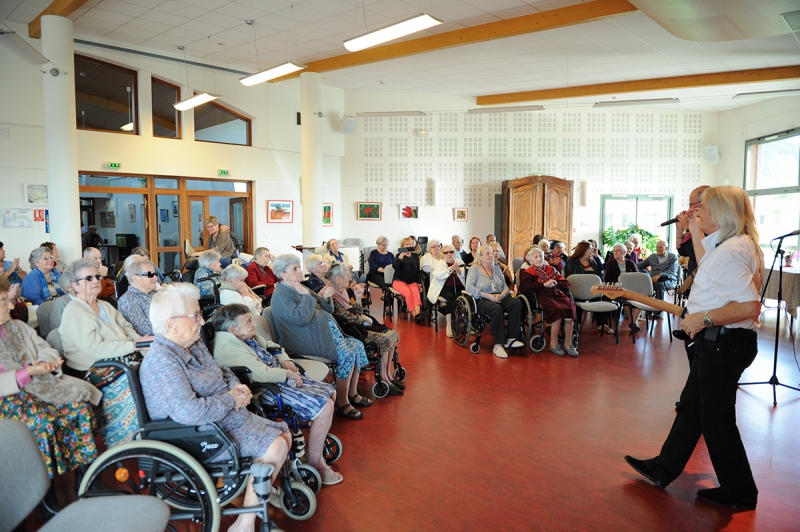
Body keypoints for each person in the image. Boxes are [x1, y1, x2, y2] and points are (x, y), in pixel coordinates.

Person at [625, 186, 763, 511]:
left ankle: (740, 492)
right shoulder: (728, 245)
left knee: (716, 421)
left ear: (724, 213)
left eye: (705, 210)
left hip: (722, 342)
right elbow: (706, 264)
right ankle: (663, 468)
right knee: (692, 408)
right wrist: (693, 229)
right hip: (717, 342)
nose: (699, 213)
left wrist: (704, 319)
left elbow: (749, 306)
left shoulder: (733, 249)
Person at [139, 284, 291, 532]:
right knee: (277, 444)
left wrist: (236, 387)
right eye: (195, 316)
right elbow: (189, 413)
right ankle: (244, 524)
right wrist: (231, 399)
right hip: (197, 434)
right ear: (171, 324)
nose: (202, 321)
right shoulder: (163, 361)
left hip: (221, 419)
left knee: (284, 436)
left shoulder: (193, 343)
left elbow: (221, 368)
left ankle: (259, 491)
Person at [210, 304, 342, 486]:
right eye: (248, 321)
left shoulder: (243, 336)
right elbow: (260, 374)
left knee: (331, 393)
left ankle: (315, 447)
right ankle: (316, 463)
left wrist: (285, 359)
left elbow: (272, 346)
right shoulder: (228, 346)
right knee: (325, 407)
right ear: (232, 329)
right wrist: (288, 374)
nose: (254, 324)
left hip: (278, 379)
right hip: (266, 388)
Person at [0, 276, 102, 482]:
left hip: (38, 387)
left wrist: (44, 364)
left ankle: (87, 479)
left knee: (79, 409)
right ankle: (41, 492)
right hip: (7, 399)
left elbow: (45, 348)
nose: (11, 305)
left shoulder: (16, 327)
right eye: (4, 301)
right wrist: (27, 373)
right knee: (42, 423)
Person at [271, 254, 370, 420]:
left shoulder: (297, 286)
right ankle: (342, 403)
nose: (299, 271)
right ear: (282, 274)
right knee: (347, 354)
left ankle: (352, 393)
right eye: (294, 269)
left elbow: (326, 307)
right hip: (302, 340)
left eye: (299, 267)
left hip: (320, 334)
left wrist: (325, 296)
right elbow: (300, 318)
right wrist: (307, 296)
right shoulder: (281, 295)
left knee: (357, 346)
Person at [59, 259, 152, 379]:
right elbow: (94, 350)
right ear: (75, 286)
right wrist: (133, 346)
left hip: (123, 358)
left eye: (97, 277)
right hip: (93, 368)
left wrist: (145, 346)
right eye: (89, 278)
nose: (96, 281)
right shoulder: (74, 310)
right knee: (152, 383)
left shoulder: (104, 305)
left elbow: (127, 328)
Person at [325, 263, 403, 395]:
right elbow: (345, 317)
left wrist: (357, 298)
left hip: (357, 326)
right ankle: (383, 378)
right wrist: (363, 319)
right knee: (384, 339)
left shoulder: (342, 292)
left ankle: (388, 376)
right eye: (347, 276)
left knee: (392, 334)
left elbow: (356, 311)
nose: (350, 279)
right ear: (338, 279)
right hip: (349, 332)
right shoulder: (332, 296)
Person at [465, 245, 524, 359]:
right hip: (483, 298)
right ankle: (498, 345)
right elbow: (469, 287)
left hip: (499, 296)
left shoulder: (496, 268)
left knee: (516, 302)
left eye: (491, 253)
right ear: (480, 257)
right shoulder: (474, 269)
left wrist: (502, 295)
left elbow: (506, 286)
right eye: (487, 253)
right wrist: (488, 296)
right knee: (497, 309)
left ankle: (511, 339)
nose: (490, 255)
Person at [519, 247, 578, 357]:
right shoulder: (528, 272)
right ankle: (554, 343)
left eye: (540, 256)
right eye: (535, 257)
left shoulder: (551, 269)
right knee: (557, 310)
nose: (539, 259)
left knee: (569, 308)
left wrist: (555, 283)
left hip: (557, 294)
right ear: (530, 260)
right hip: (542, 295)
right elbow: (526, 287)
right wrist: (544, 284)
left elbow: (566, 284)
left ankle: (568, 344)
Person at [564, 241, 613, 335]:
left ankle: (602, 324)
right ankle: (576, 323)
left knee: (602, 297)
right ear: (583, 250)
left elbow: (600, 274)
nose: (592, 250)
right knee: (576, 298)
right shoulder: (571, 262)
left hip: (593, 289)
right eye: (590, 249)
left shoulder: (592, 262)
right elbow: (570, 278)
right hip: (578, 288)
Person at [427, 244, 466, 338]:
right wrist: (451, 269)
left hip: (459, 287)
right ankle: (449, 325)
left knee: (468, 296)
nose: (449, 254)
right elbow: (438, 276)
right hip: (444, 287)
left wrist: (460, 271)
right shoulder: (440, 263)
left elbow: (466, 275)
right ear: (442, 254)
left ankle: (469, 324)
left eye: (451, 252)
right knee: (451, 297)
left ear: (454, 253)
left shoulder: (459, 261)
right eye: (446, 252)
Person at [676, 185, 711, 279]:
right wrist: (679, 228)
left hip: (705, 280)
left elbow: (693, 252)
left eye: (691, 204)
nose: (689, 209)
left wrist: (687, 229)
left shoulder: (709, 226)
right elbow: (683, 251)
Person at [117, 259, 159, 336]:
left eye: (155, 274)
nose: (156, 278)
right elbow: (144, 329)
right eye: (150, 274)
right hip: (153, 343)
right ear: (135, 278)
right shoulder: (128, 299)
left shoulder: (156, 294)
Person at [637, 240, 679, 308]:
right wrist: (645, 275)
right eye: (657, 247)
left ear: (666, 248)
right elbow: (640, 266)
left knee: (659, 285)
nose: (658, 249)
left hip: (668, 279)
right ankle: (646, 307)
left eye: (661, 247)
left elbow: (672, 271)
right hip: (652, 279)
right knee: (643, 284)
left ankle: (659, 309)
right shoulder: (652, 257)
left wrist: (659, 276)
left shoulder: (672, 257)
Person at [392, 237, 424, 323]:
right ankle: (415, 316)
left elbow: (417, 271)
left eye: (410, 244)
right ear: (402, 246)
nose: (409, 246)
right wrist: (401, 255)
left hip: (412, 281)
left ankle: (418, 313)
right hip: (399, 281)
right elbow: (395, 266)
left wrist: (419, 284)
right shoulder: (398, 255)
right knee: (408, 293)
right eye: (407, 244)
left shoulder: (415, 256)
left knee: (415, 291)